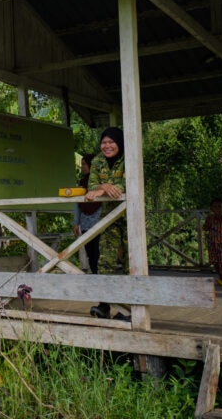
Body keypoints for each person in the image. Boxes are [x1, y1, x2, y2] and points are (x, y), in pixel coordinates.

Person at [84, 127, 126, 320]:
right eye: (104, 142)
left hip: (131, 217)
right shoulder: (97, 161)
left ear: (119, 142)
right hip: (110, 217)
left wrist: (110, 188)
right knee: (104, 262)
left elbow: (126, 185)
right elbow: (91, 186)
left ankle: (130, 311)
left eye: (111, 142)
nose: (107, 146)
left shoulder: (129, 156)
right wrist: (102, 186)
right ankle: (104, 306)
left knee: (131, 264)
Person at [73, 154, 102, 274]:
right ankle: (94, 275)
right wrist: (76, 223)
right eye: (82, 164)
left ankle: (99, 275)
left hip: (99, 220)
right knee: (89, 251)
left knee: (98, 251)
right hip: (85, 222)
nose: (83, 166)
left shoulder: (100, 182)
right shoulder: (82, 182)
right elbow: (77, 204)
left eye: (85, 164)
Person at [203, 197, 222, 286]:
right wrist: (208, 223)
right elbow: (205, 228)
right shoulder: (210, 218)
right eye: (215, 207)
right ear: (211, 208)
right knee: (215, 262)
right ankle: (220, 277)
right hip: (212, 243)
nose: (217, 209)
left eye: (219, 206)